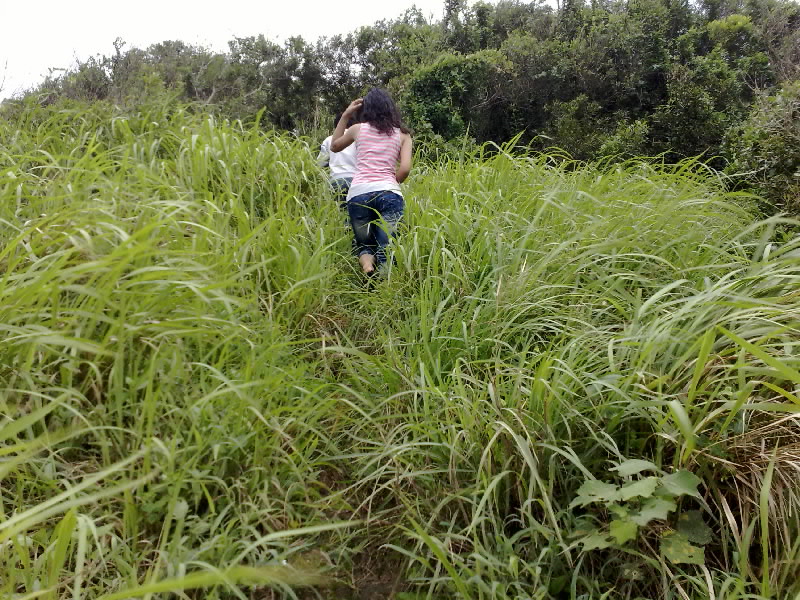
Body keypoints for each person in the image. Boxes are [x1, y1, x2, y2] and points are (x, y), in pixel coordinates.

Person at [330, 88, 412, 276]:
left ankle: (367, 266)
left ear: (366, 109)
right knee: (386, 246)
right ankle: (385, 285)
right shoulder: (403, 135)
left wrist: (345, 115)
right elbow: (405, 168)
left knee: (364, 244)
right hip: (388, 192)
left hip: (358, 193)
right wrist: (391, 183)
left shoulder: (357, 129)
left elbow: (334, 146)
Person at [318, 113, 358, 205]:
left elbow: (320, 163)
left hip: (336, 180)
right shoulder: (358, 138)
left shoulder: (329, 140)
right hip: (356, 181)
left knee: (340, 209)